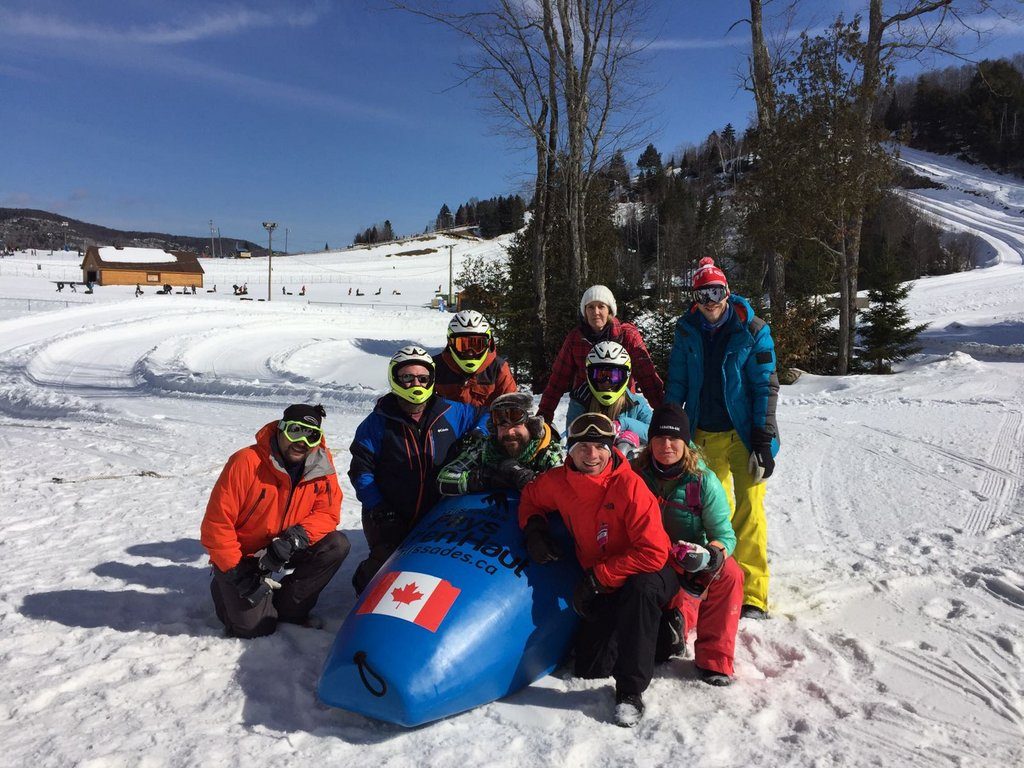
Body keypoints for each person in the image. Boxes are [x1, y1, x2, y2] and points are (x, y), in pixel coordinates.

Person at [518, 413, 675, 728]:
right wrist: (534, 528)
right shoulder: (560, 481)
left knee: (639, 591)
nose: (592, 455)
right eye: (583, 446)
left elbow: (654, 553)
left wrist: (597, 578)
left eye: (600, 447)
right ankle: (662, 635)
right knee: (591, 666)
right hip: (603, 580)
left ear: (611, 448)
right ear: (570, 450)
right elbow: (531, 497)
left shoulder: (630, 486)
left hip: (650, 572)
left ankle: (630, 692)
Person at [665, 257, 780, 620]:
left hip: (744, 433)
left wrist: (763, 441)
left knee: (749, 508)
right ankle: (711, 577)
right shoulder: (687, 331)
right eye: (703, 293)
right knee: (705, 511)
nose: (710, 301)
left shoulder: (752, 328)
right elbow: (677, 382)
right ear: (694, 297)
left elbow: (765, 385)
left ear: (727, 292)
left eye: (716, 291)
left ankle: (754, 594)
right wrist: (670, 424)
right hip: (703, 433)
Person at [200, 404, 349, 638]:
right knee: (255, 629)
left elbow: (328, 512)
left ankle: (291, 608)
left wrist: (296, 538)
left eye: (312, 435)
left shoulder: (320, 465)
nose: (302, 441)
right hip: (243, 556)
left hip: (285, 545)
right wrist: (234, 571)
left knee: (336, 545)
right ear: (280, 429)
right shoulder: (245, 462)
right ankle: (226, 586)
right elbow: (217, 525)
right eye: (295, 430)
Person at [348, 346, 487, 594]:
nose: (416, 383)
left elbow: (488, 415)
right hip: (391, 514)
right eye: (408, 377)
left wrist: (478, 434)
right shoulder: (377, 422)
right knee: (384, 574)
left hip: (438, 513)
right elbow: (361, 471)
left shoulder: (450, 411)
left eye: (423, 378)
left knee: (445, 571)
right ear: (396, 378)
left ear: (432, 380)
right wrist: (378, 508)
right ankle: (365, 589)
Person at [632, 403, 744, 685]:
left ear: (685, 442)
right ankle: (674, 623)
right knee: (665, 645)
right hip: (650, 560)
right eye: (659, 438)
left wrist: (712, 556)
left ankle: (714, 660)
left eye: (674, 439)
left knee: (730, 574)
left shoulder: (703, 481)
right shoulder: (636, 473)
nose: (666, 445)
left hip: (690, 560)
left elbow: (725, 534)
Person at [538, 285, 664, 425]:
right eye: (590, 307)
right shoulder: (576, 338)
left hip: (622, 405)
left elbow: (648, 378)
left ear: (610, 309)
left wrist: (665, 415)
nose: (595, 312)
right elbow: (558, 379)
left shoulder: (627, 336)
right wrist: (544, 416)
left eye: (601, 306)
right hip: (585, 405)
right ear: (584, 312)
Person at [437, 392, 563, 496]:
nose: (509, 432)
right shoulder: (487, 448)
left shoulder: (547, 453)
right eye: (502, 425)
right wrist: (484, 478)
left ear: (531, 426)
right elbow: (443, 480)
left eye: (516, 424)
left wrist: (527, 479)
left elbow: (564, 490)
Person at [566, 341, 652, 458]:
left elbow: (654, 432)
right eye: (600, 375)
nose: (607, 381)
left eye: (614, 376)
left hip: (629, 467)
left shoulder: (635, 404)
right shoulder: (580, 401)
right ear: (589, 375)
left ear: (626, 376)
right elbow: (572, 438)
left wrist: (624, 424)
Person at [432, 310, 517, 408]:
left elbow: (512, 406)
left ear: (488, 343)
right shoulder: (435, 367)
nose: (470, 352)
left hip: (488, 422)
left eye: (477, 345)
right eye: (462, 345)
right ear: (450, 343)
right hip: (446, 422)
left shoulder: (498, 368)